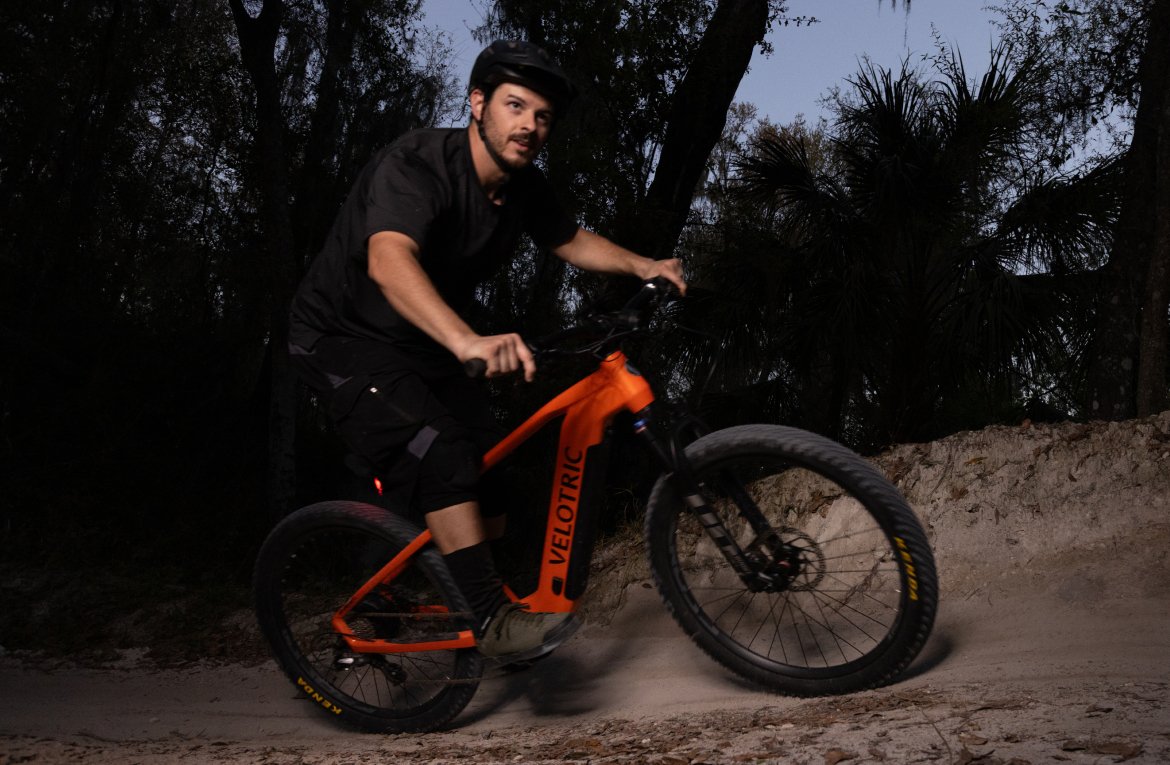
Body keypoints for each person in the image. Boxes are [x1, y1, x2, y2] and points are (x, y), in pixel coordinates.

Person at [287, 40, 686, 661]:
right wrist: (466, 340)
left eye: (543, 116)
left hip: (420, 342)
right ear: (478, 104)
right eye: (515, 105)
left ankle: (449, 581)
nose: (529, 125)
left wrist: (643, 265)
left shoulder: (524, 186)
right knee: (443, 453)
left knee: (489, 463)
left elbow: (570, 239)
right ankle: (492, 620)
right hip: (341, 339)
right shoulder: (419, 165)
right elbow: (389, 260)